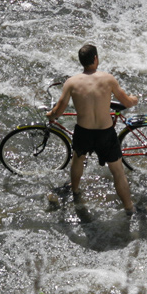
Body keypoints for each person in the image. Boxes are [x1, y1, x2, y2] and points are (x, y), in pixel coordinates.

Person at [46, 44, 139, 214]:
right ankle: (129, 208)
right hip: (105, 132)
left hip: (84, 132)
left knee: (77, 160)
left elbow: (58, 111)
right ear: (95, 58)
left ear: (81, 61)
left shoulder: (71, 82)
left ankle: (75, 190)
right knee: (118, 172)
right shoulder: (108, 79)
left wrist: (49, 115)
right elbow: (126, 102)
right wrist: (135, 98)